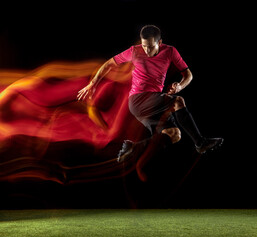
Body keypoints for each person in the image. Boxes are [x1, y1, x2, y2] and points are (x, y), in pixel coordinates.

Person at [77, 25, 223, 181]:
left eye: (151, 47)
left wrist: (180, 85)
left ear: (160, 43)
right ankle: (200, 143)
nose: (147, 51)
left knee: (173, 135)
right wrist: (92, 84)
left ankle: (133, 146)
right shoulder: (134, 51)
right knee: (178, 101)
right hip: (138, 99)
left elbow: (188, 74)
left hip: (153, 101)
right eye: (144, 46)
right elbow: (109, 64)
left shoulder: (170, 51)